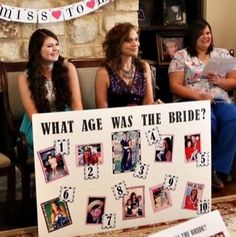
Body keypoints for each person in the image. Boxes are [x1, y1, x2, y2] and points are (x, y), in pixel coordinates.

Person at [168, 19, 236, 189]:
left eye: (208, 33)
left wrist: (220, 81)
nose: (206, 37)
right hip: (192, 100)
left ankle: (218, 168)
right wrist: (198, 96)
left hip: (219, 99)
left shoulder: (222, 54)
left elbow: (233, 81)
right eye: (201, 34)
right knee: (208, 122)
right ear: (193, 37)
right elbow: (175, 86)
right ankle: (204, 169)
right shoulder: (181, 56)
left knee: (233, 118)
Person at [18, 29, 83, 156]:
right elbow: (33, 116)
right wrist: (54, 133)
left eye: (57, 44)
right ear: (37, 50)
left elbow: (77, 106)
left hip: (67, 121)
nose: (55, 49)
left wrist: (75, 129)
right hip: (39, 126)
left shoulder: (68, 68)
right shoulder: (24, 78)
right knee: (51, 152)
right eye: (49, 46)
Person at [95, 22, 162, 108]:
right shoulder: (103, 73)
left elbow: (148, 102)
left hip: (140, 119)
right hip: (115, 120)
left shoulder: (144, 67)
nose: (135, 44)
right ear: (117, 44)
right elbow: (102, 111)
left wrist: (158, 107)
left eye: (136, 39)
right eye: (129, 40)